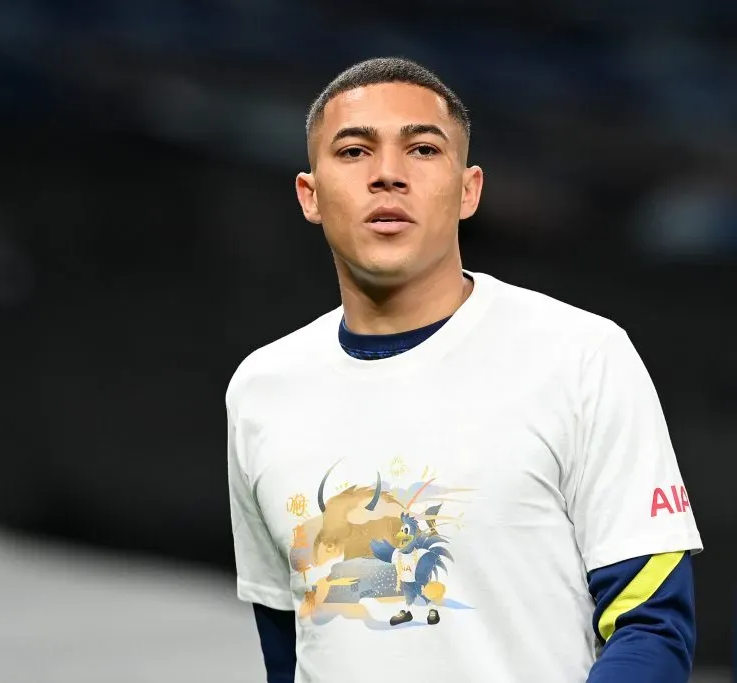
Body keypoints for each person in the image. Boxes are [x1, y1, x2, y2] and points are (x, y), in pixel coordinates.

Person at [225, 57, 702, 683]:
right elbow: (289, 641)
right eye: (354, 151)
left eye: (422, 149)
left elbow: (653, 625)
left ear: (469, 189)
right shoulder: (261, 390)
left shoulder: (582, 355)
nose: (388, 175)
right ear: (309, 196)